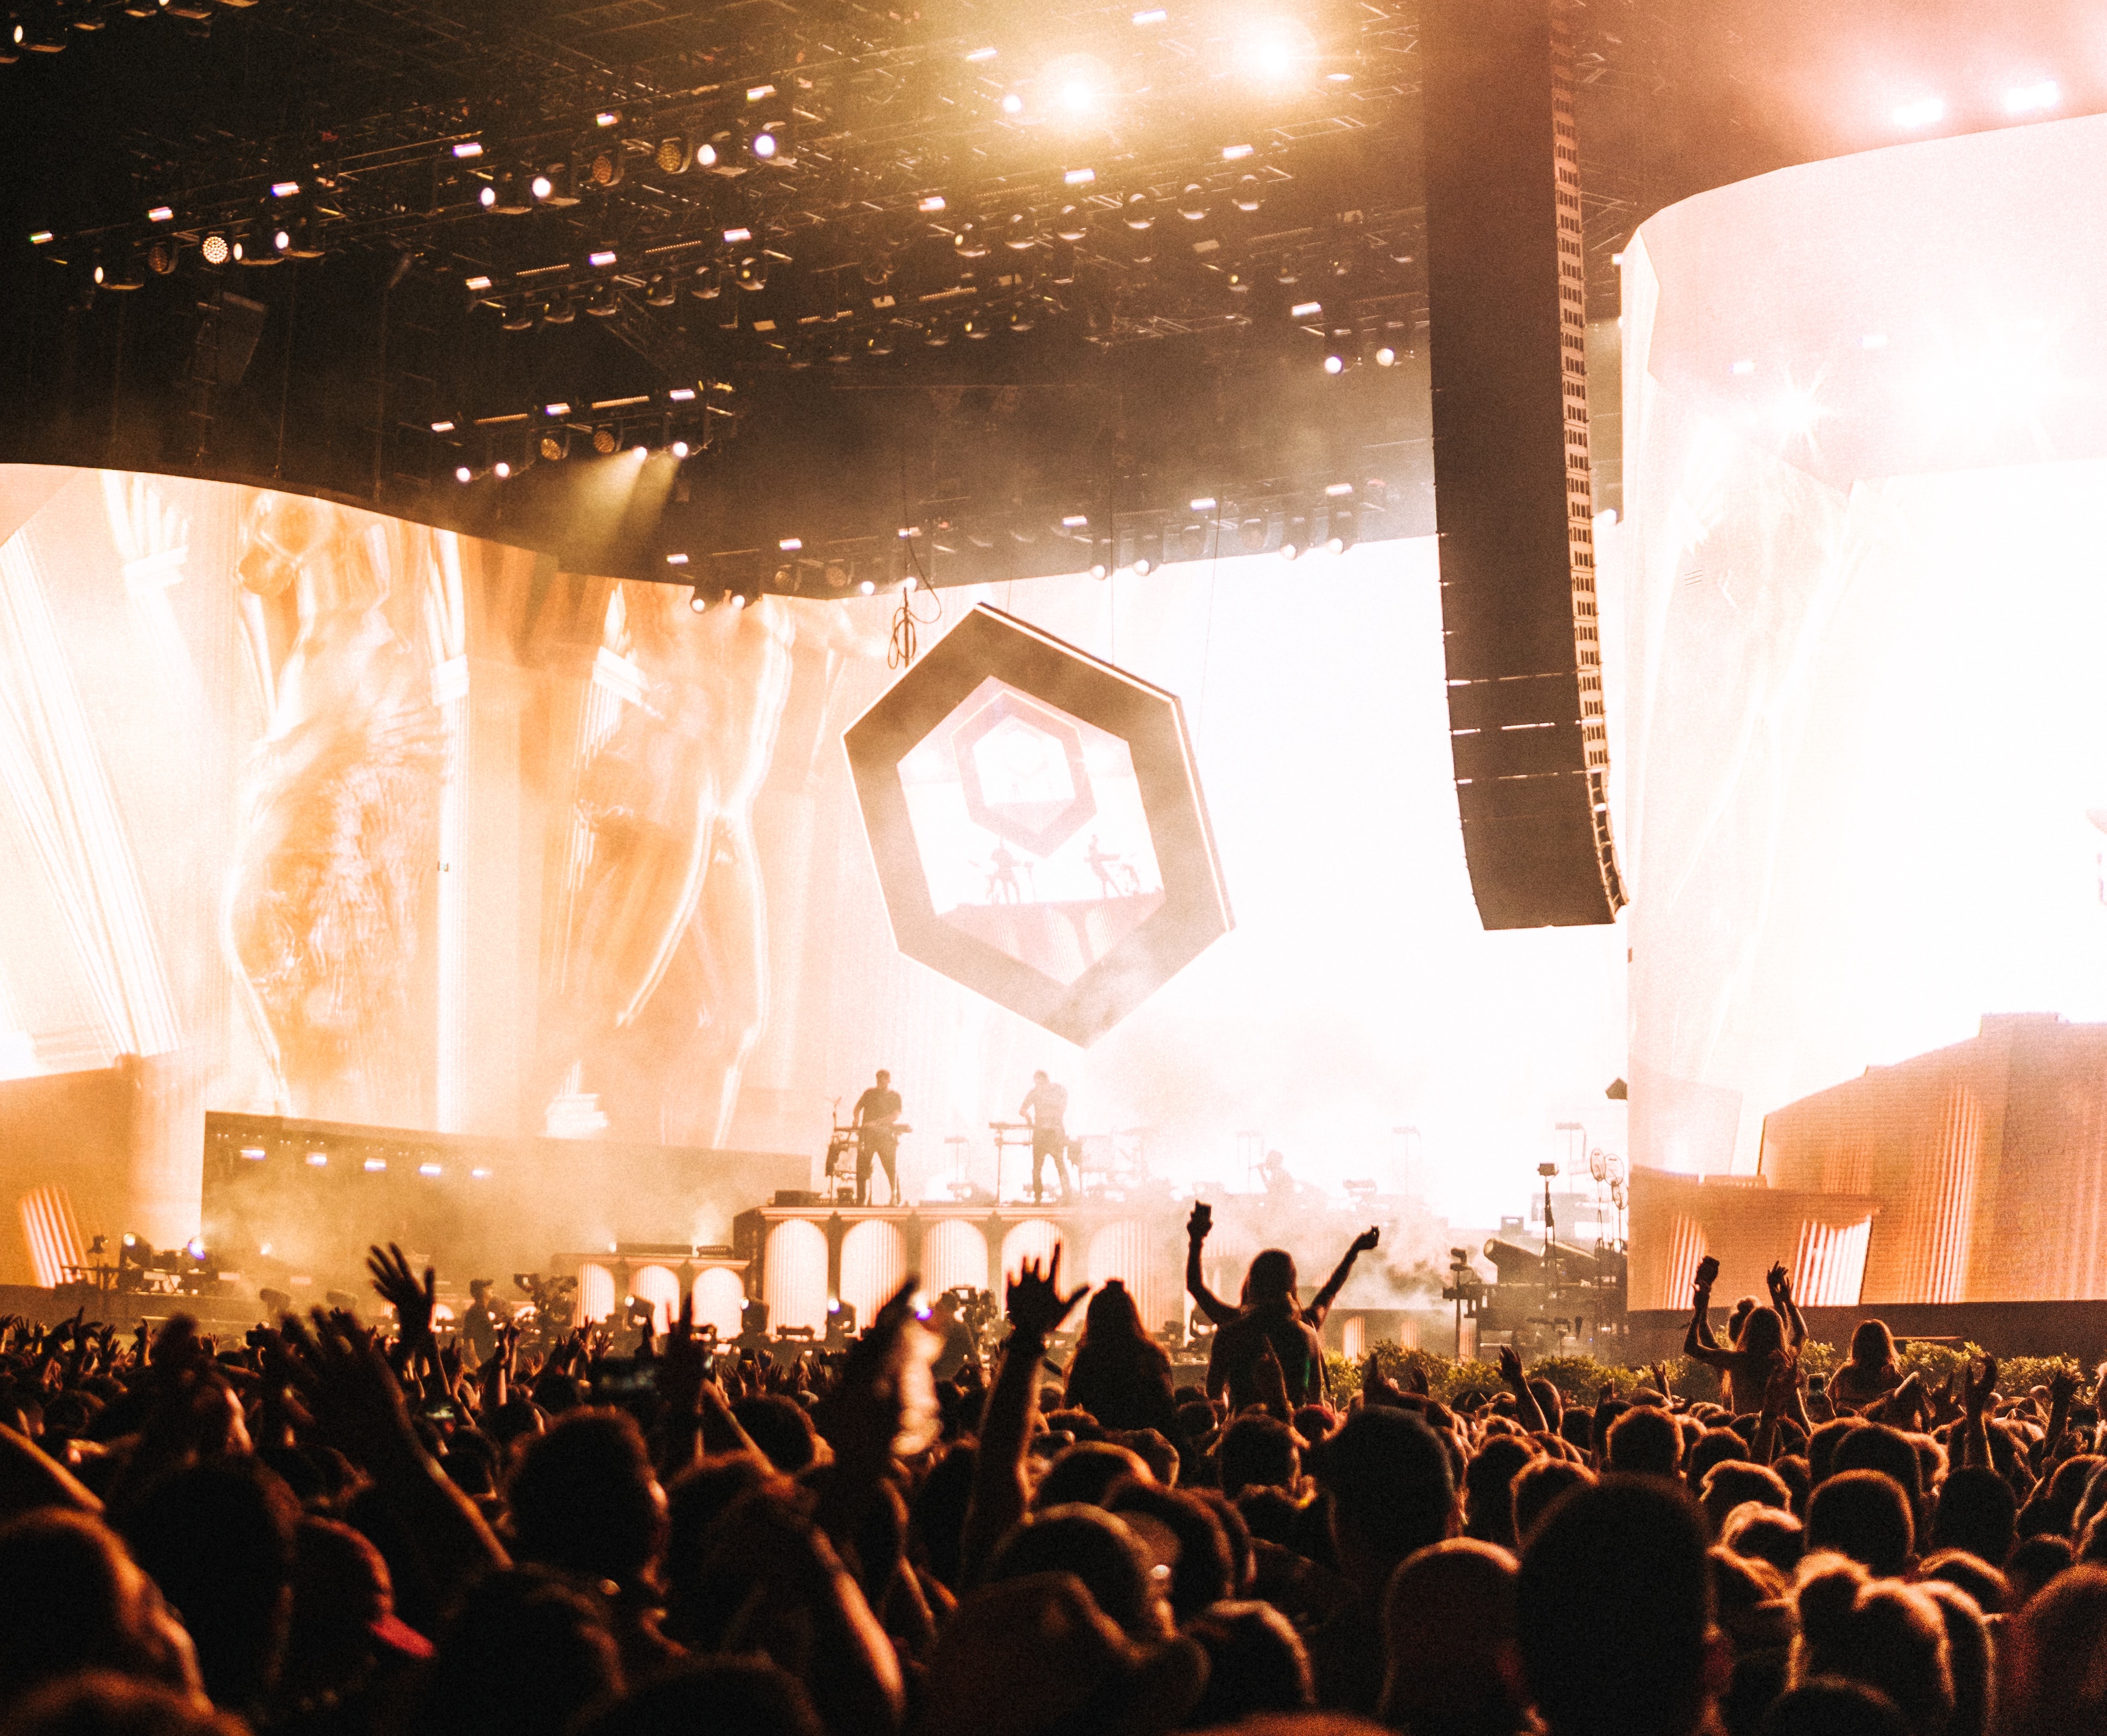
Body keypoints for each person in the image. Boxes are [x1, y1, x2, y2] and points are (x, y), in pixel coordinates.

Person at [1186, 1204, 1379, 1408]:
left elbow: (1196, 1286)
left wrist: (1197, 1238)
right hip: (1294, 1427)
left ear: (1252, 1284)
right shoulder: (1308, 1330)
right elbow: (1330, 1291)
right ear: (1291, 1284)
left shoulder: (1232, 1330)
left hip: (1245, 1426)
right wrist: (1354, 1251)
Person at [1062, 1281, 1181, 1441]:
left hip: (1103, 1444)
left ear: (1095, 1318)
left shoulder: (1089, 1356)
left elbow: (1070, 1408)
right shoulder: (1152, 1355)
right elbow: (1168, 1408)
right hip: (1149, 1443)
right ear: (1131, 1315)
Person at [1827, 1322, 1905, 1413]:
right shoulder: (1894, 1379)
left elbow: (1827, 1410)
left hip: (1846, 1422)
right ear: (1885, 1346)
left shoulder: (1843, 1376)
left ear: (1857, 1347)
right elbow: (1905, 1414)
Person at [852, 1069, 904, 1205]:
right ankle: (860, 1200)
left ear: (889, 1080)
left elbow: (895, 1115)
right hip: (867, 1136)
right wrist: (856, 1119)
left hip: (885, 1137)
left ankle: (896, 1198)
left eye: (883, 1079)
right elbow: (857, 1108)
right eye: (878, 1080)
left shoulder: (894, 1096)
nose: (880, 1082)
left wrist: (876, 1123)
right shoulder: (869, 1093)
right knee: (862, 1168)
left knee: (891, 1168)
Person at [1020, 1071, 1072, 1203]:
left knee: (1039, 1167)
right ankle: (1067, 1196)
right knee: (1058, 1164)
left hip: (1043, 1133)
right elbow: (1063, 1107)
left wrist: (1030, 1120)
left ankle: (1039, 1198)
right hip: (1054, 1133)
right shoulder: (1058, 1090)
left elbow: (1022, 1110)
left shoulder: (1037, 1092)